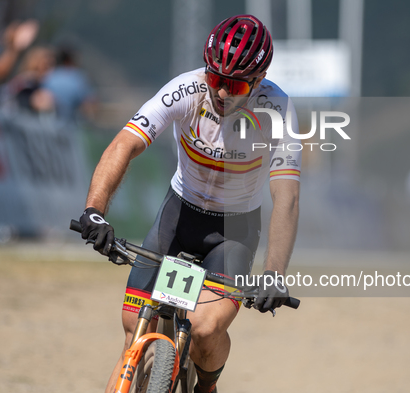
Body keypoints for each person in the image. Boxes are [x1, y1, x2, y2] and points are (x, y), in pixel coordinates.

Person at [79, 15, 301, 393]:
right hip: (178, 215)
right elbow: (124, 145)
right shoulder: (187, 88)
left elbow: (286, 196)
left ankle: (206, 386)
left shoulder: (276, 109)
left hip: (233, 231)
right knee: (135, 327)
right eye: (216, 79)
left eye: (234, 84)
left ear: (259, 81)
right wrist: (94, 210)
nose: (222, 92)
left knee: (205, 328)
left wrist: (274, 272)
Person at [43, 46, 96, 122]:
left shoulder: (48, 76)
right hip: (69, 126)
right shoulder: (78, 78)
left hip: (47, 124)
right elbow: (89, 104)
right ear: (71, 59)